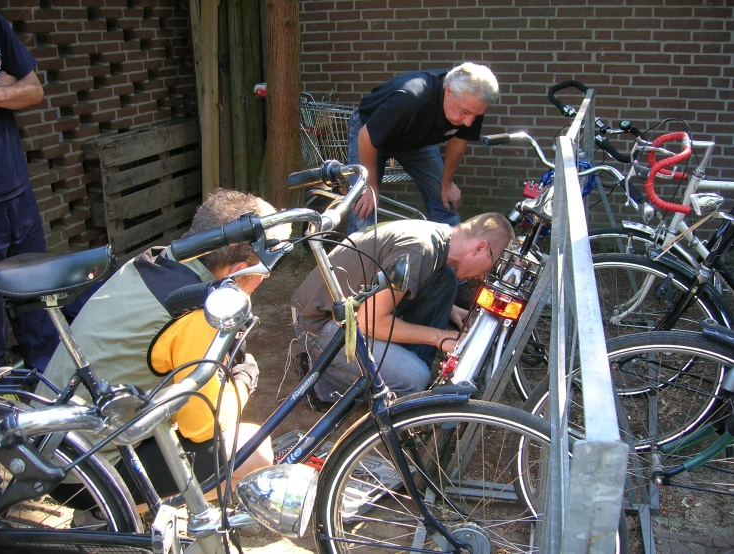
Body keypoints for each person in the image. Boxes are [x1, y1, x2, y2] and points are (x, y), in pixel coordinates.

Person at [37, 189, 291, 502]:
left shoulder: (154, 262)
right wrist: (242, 383)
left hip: (48, 445)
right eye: (264, 271)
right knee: (255, 449)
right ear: (238, 271)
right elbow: (201, 428)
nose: (264, 280)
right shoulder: (196, 313)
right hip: (80, 475)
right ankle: (129, 517)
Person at [291, 214, 514, 410]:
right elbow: (369, 322)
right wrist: (439, 337)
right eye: (492, 266)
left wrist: (452, 311)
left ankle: (402, 377)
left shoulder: (436, 241)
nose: (486, 276)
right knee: (414, 379)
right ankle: (321, 379)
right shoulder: (419, 249)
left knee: (446, 280)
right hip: (319, 323)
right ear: (480, 247)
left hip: (349, 313)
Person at [347, 62, 500, 234]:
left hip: (416, 140)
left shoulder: (472, 105)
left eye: (476, 115)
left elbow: (459, 141)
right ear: (448, 91)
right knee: (364, 205)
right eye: (465, 113)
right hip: (370, 135)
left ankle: (450, 258)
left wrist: (447, 182)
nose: (469, 122)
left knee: (445, 201)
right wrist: (370, 185)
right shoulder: (410, 99)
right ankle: (357, 257)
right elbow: (366, 137)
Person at [0, 12, 60, 373]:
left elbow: (33, 89)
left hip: (16, 194)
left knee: (38, 311)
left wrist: (0, 91)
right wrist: (7, 89)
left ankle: (52, 406)